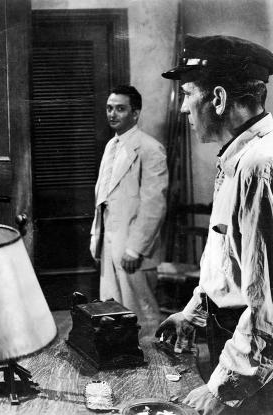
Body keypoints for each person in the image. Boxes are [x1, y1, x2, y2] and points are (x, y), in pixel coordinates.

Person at [156, 35, 273, 414]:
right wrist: (194, 312)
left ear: (218, 99)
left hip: (265, 363)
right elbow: (230, 260)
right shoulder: (246, 156)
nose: (183, 108)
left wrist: (224, 388)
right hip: (248, 343)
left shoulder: (259, 166)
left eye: (187, 94)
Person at [90, 85, 168, 334]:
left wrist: (135, 248)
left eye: (120, 109)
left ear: (135, 113)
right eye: (109, 108)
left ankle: (152, 355)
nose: (112, 114)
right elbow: (103, 197)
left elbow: (154, 204)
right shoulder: (111, 147)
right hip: (109, 243)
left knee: (141, 313)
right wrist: (96, 238)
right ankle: (119, 353)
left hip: (134, 248)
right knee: (112, 311)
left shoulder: (150, 149)